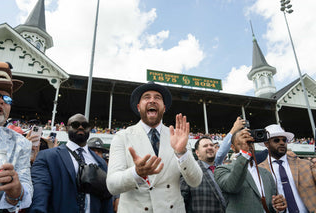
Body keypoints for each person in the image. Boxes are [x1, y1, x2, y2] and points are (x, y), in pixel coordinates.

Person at [107, 82, 202, 213]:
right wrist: (136, 173)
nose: (152, 100)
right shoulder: (122, 137)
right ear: (139, 107)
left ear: (164, 107)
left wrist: (182, 153)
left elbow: (195, 181)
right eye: (147, 97)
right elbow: (112, 185)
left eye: (157, 97)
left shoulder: (178, 136)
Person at [29, 113, 113, 213]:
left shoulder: (101, 162)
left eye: (85, 125)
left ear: (89, 129)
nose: (81, 127)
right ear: (66, 128)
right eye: (75, 125)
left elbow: (106, 200)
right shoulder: (47, 157)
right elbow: (40, 195)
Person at [214, 128, 287, 213]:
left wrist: (278, 207)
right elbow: (232, 186)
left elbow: (270, 206)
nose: (247, 145)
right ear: (233, 148)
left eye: (250, 142)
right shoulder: (222, 169)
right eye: (241, 143)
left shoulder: (266, 173)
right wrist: (244, 153)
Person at [0, 61, 33, 212]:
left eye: (7, 99)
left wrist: (16, 191)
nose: (0, 101)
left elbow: (26, 190)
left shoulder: (21, 143)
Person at [259, 124, 316, 213]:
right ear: (266, 144)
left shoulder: (305, 164)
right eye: (276, 140)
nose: (282, 143)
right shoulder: (259, 171)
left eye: (284, 140)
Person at [180, 136, 226, 213]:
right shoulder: (190, 170)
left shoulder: (223, 169)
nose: (210, 147)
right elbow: (182, 201)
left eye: (211, 145)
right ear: (197, 152)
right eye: (205, 146)